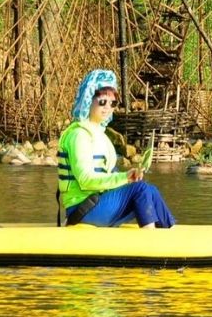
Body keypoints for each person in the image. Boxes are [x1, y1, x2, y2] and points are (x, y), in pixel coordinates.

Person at [56, 69, 175, 228]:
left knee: (150, 190)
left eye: (112, 103)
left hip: (98, 202)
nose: (107, 107)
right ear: (88, 99)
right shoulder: (79, 135)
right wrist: (124, 178)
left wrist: (129, 176)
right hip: (81, 209)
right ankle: (150, 241)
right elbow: (85, 181)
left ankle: (171, 231)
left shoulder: (101, 136)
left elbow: (108, 177)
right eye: (102, 101)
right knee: (140, 190)